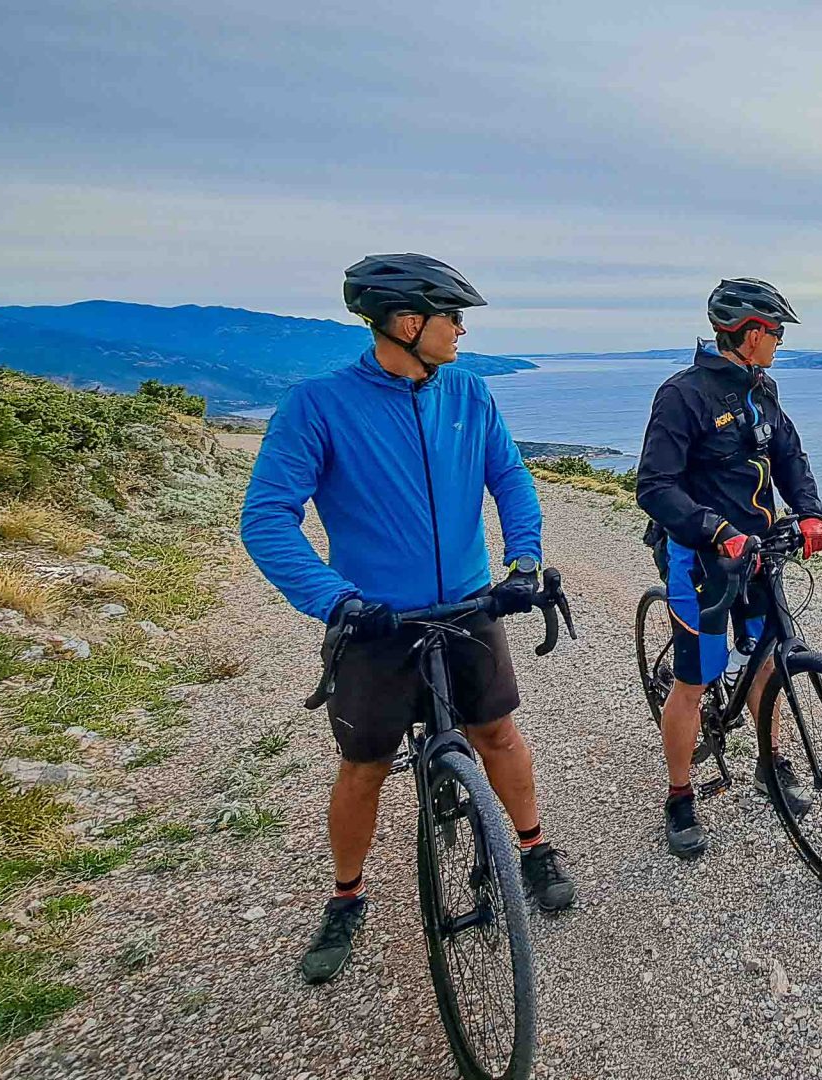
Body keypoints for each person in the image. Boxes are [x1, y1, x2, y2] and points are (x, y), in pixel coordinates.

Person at [240, 254, 575, 986]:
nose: (461, 330)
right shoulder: (318, 406)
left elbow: (509, 476)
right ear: (406, 322)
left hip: (466, 607)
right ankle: (347, 897)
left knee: (498, 732)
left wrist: (522, 562)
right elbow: (267, 519)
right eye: (452, 317)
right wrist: (334, 600)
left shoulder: (469, 393)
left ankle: (534, 846)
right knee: (363, 769)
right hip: (374, 623)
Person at [635, 278, 822, 859]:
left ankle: (769, 764)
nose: (778, 341)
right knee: (693, 683)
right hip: (700, 559)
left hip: (760, 552)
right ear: (748, 334)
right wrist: (716, 533)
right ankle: (679, 795)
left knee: (767, 659)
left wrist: (813, 514)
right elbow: (655, 486)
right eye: (774, 332)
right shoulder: (683, 395)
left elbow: (790, 457)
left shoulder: (762, 391)